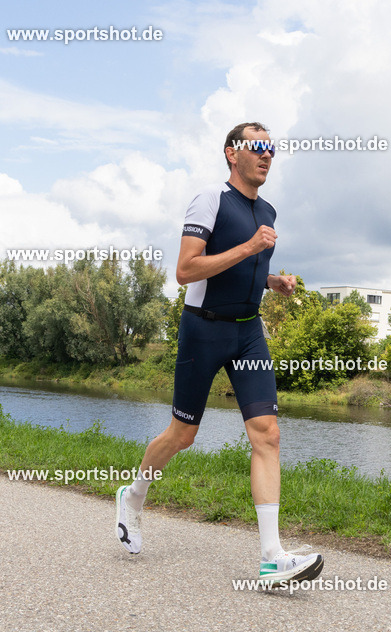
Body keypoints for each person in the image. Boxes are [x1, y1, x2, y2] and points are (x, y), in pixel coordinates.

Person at [115, 122, 323, 585]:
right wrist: (250, 246)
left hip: (249, 332)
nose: (267, 155)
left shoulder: (268, 209)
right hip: (203, 330)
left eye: (272, 149)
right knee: (182, 435)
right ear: (233, 153)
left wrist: (273, 281)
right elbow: (186, 270)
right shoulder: (210, 200)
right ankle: (133, 497)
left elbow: (242, 269)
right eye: (258, 147)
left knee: (267, 435)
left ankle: (272, 558)